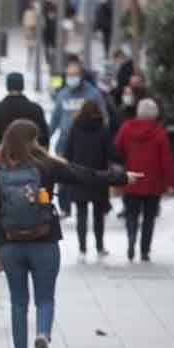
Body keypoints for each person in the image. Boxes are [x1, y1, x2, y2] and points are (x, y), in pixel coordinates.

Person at [0, 120, 135, 348]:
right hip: (44, 241)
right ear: (33, 141)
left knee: (18, 303)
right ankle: (43, 334)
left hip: (11, 245)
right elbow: (85, 175)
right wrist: (121, 177)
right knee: (45, 298)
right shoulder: (47, 166)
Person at [115, 99, 174, 262]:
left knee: (131, 214)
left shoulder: (126, 128)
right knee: (149, 217)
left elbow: (117, 149)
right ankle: (144, 250)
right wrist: (169, 183)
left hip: (131, 179)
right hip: (153, 183)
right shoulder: (159, 133)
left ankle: (132, 235)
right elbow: (166, 160)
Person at [62, 101, 118, 257]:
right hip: (99, 177)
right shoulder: (103, 130)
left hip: (79, 175)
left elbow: (67, 153)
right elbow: (110, 153)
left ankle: (82, 247)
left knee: (81, 214)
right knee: (98, 215)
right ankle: (100, 247)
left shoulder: (75, 128)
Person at [50, 58, 108, 159]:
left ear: (81, 76)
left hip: (87, 147)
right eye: (69, 75)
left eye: (74, 75)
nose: (71, 78)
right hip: (63, 146)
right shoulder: (62, 95)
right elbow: (55, 120)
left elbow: (104, 119)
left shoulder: (93, 94)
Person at [0, 72, 49, 147]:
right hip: (29, 155)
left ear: (7, 86)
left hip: (2, 155)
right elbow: (44, 138)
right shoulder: (35, 109)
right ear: (22, 86)